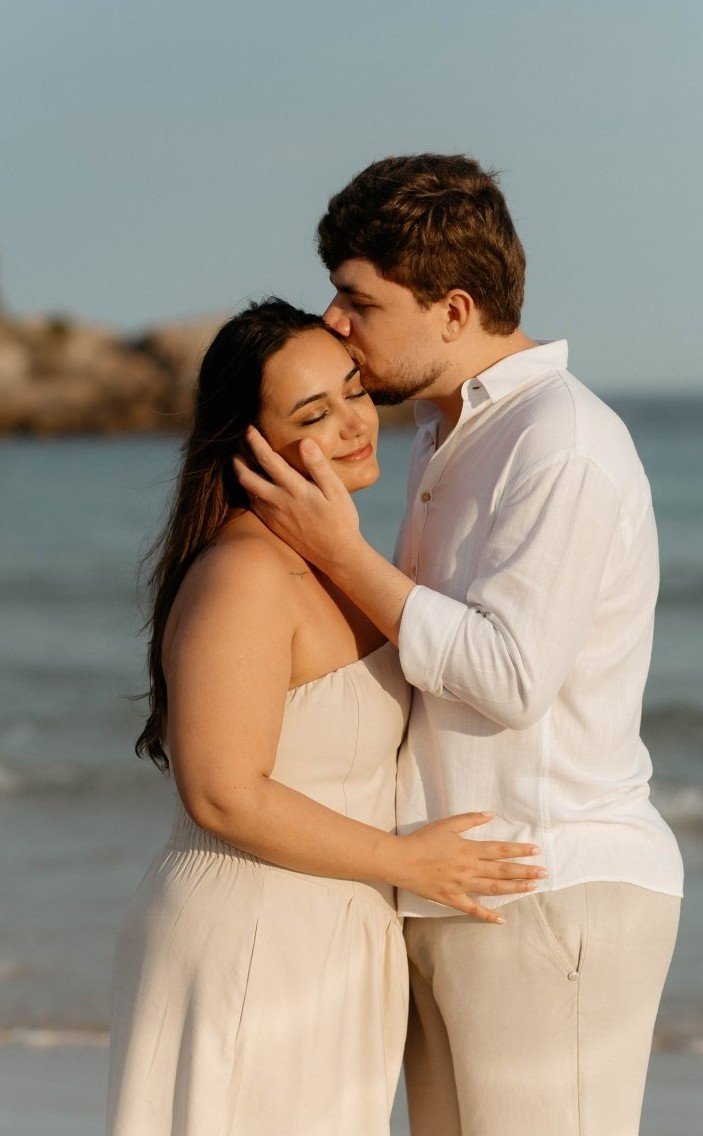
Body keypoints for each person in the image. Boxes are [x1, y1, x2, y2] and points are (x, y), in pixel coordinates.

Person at [234, 155, 686, 1136]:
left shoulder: (558, 441)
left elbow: (510, 676)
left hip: (546, 883)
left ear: (451, 309)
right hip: (450, 885)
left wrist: (340, 554)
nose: (334, 322)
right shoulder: (446, 439)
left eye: (359, 300)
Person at [105, 297, 543, 1136]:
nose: (353, 424)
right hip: (253, 934)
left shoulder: (338, 558)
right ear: (248, 443)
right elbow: (222, 792)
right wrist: (409, 862)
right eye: (312, 415)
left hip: (332, 938)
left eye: (353, 391)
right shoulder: (246, 573)